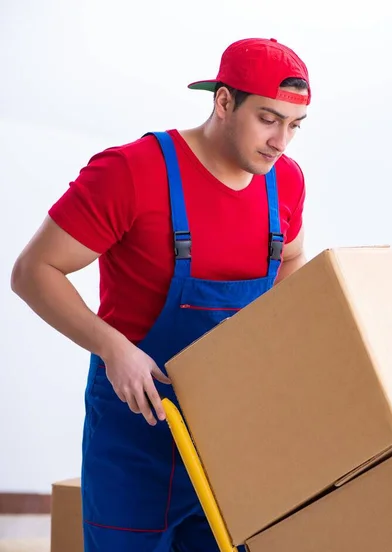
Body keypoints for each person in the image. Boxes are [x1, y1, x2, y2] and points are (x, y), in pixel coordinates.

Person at [11, 37, 311, 552]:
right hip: (137, 435)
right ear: (223, 101)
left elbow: (291, 261)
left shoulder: (284, 182)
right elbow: (33, 271)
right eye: (268, 118)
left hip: (229, 438)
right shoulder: (133, 171)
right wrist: (112, 347)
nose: (281, 140)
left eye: (294, 125)